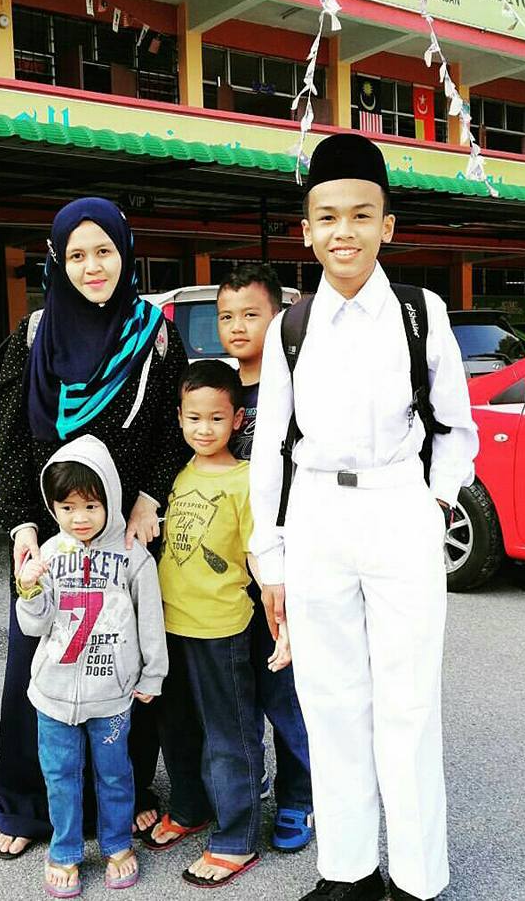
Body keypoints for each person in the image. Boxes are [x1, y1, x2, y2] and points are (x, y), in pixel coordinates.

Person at [249, 133, 479, 901]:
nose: (342, 231)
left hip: (397, 507)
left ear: (388, 225)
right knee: (330, 700)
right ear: (305, 230)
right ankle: (347, 871)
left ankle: (416, 880)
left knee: (408, 704)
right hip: (317, 514)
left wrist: (432, 503)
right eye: (327, 217)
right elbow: (271, 449)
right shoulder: (292, 327)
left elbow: (456, 428)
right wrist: (271, 557)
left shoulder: (420, 314)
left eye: (360, 214)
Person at [0, 196, 189, 860]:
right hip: (54, 535)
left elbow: (173, 428)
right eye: (76, 254)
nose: (92, 266)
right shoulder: (34, 334)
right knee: (38, 663)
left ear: (126, 253)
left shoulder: (156, 335)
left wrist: (150, 497)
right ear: (57, 261)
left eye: (104, 250)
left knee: (123, 659)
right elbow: (11, 436)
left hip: (124, 535)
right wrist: (22, 527)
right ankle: (26, 803)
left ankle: (121, 798)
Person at [15, 434, 168, 897]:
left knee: (115, 773)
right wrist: (29, 588)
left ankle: (117, 844)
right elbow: (34, 626)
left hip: (112, 694)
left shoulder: (132, 555)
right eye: (67, 508)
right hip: (53, 693)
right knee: (60, 776)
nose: (79, 518)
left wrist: (153, 673)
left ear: (110, 501)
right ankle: (64, 850)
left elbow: (150, 619)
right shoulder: (47, 555)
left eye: (91, 506)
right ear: (53, 507)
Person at [142, 359, 262, 888]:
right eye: (194, 418)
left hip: (222, 628)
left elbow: (260, 555)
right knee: (177, 728)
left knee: (228, 733)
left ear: (237, 420)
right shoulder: (177, 474)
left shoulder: (247, 480)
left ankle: (236, 837)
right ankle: (190, 808)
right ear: (180, 418)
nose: (204, 429)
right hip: (170, 626)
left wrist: (283, 612)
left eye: (216, 418)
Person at [217, 264, 314, 852]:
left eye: (251, 314)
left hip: (285, 560)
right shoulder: (218, 394)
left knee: (286, 688)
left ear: (278, 318)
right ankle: (248, 782)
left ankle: (300, 795)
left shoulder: (298, 389)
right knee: (239, 683)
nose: (238, 326)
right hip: (229, 572)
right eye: (226, 316)